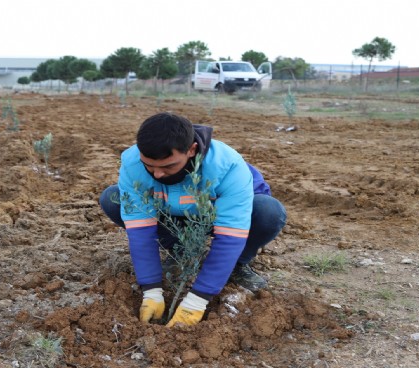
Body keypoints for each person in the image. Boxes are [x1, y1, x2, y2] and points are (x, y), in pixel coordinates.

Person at [99, 112, 286, 327]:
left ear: (191, 150)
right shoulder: (132, 164)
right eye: (149, 166)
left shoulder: (228, 166)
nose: (157, 174)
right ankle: (180, 253)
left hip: (221, 219)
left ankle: (237, 264)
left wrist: (197, 301)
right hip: (173, 218)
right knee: (112, 199)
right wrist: (151, 291)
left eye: (168, 166)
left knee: (268, 211)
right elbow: (140, 232)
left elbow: (230, 237)